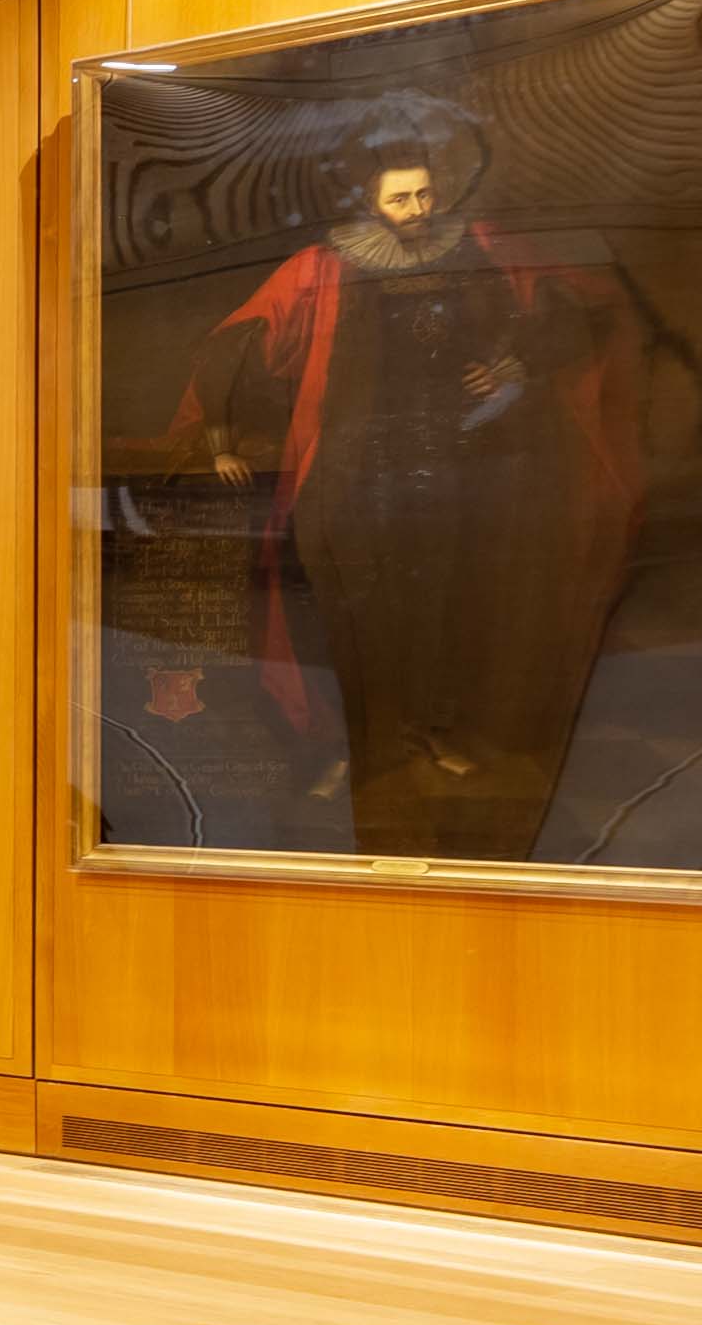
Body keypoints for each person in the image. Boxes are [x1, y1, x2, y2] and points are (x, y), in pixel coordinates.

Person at [157, 113, 641, 857]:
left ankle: (434, 736)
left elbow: (574, 306)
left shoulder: (479, 246)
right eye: (399, 200)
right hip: (352, 476)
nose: (416, 212)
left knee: (450, 612)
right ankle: (363, 748)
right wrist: (221, 434)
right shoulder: (321, 267)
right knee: (352, 620)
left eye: (423, 195)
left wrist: (518, 363)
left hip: (460, 470)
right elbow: (242, 342)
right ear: (368, 203)